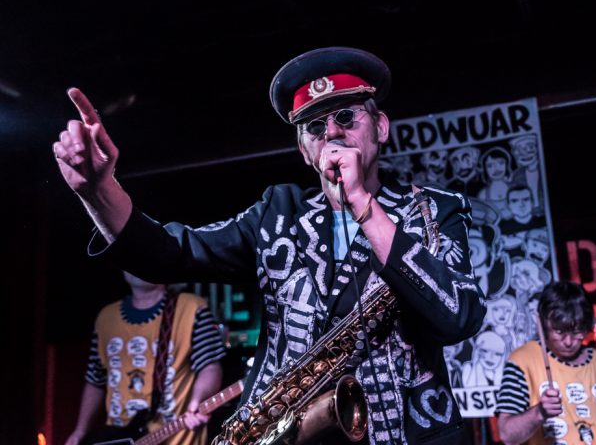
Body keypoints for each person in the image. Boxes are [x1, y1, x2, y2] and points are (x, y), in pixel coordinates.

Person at [53, 46, 486, 444]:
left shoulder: (435, 210)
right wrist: (98, 190)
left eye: (346, 117)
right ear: (304, 150)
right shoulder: (277, 213)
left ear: (381, 127)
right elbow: (170, 252)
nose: (332, 133)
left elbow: (459, 317)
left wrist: (362, 204)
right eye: (315, 127)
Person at [64, 271, 226, 445]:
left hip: (177, 437)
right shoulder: (106, 317)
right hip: (118, 438)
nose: (135, 266)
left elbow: (210, 367)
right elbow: (95, 380)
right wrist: (80, 431)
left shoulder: (192, 307)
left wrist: (197, 401)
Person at [495, 281, 596, 445]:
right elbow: (507, 435)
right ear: (543, 325)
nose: (569, 342)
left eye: (577, 331)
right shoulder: (522, 360)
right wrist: (539, 412)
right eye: (559, 332)